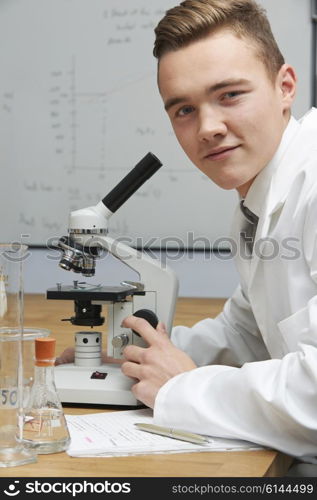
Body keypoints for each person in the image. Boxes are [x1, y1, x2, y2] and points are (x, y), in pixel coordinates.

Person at [58, 0, 317, 475]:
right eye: (183, 109)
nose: (209, 128)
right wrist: (134, 358)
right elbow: (247, 333)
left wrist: (180, 388)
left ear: (286, 87)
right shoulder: (258, 204)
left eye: (230, 95)